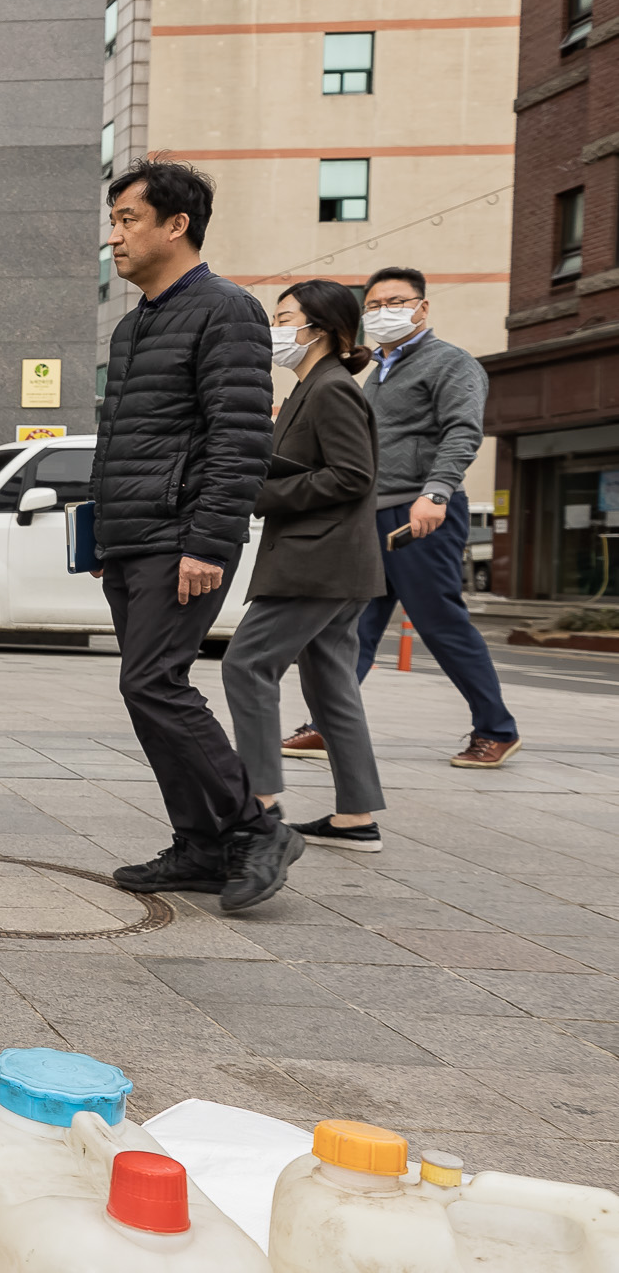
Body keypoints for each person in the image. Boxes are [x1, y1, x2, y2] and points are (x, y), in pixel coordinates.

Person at [91, 160, 294, 911]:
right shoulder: (135, 322)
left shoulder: (227, 310)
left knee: (153, 682)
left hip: (183, 536)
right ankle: (201, 843)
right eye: (114, 220)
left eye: (128, 220)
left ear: (177, 225)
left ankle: (254, 825)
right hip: (134, 536)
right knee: (149, 691)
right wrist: (103, 535)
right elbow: (123, 443)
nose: (114, 236)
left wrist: (208, 542)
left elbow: (240, 438)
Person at [282, 265, 518, 769]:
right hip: (371, 515)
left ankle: (497, 729)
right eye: (373, 305)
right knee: (353, 626)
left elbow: (461, 431)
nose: (383, 312)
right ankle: (327, 724)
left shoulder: (451, 363)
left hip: (419, 513)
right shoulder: (375, 375)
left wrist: (435, 493)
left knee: (440, 623)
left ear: (422, 307)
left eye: (395, 302)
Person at [220, 280, 387, 854]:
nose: (276, 330)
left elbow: (352, 476)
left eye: (285, 318)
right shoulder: (308, 388)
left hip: (319, 561)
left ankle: (260, 805)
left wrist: (261, 495)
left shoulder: (332, 389)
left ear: (321, 329)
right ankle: (356, 817)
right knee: (332, 687)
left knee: (246, 665)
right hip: (334, 561)